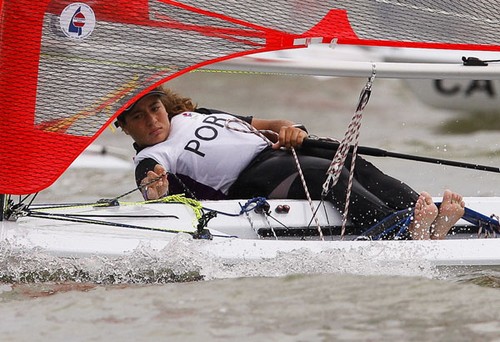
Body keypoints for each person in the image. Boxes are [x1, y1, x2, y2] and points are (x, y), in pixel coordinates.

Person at [115, 86, 465, 240]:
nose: (152, 120)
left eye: (154, 109)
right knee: (324, 176)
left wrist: (292, 130)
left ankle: (424, 217)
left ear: (164, 105)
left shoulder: (195, 115)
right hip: (250, 180)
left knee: (353, 163)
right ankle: (405, 236)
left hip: (279, 154)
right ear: (125, 127)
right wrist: (157, 191)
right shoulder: (150, 156)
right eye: (138, 117)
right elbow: (153, 190)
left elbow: (273, 125)